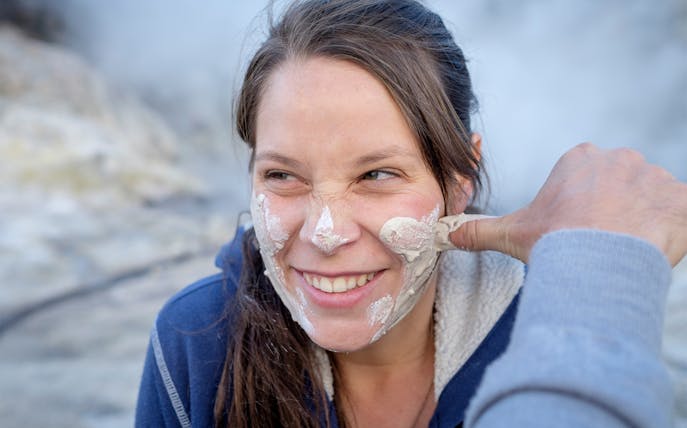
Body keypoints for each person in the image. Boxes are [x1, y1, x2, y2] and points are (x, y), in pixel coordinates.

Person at [135, 0, 687, 427]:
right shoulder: (196, 341)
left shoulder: (546, 331)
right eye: (283, 176)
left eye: (376, 175)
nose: (326, 233)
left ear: (460, 176)